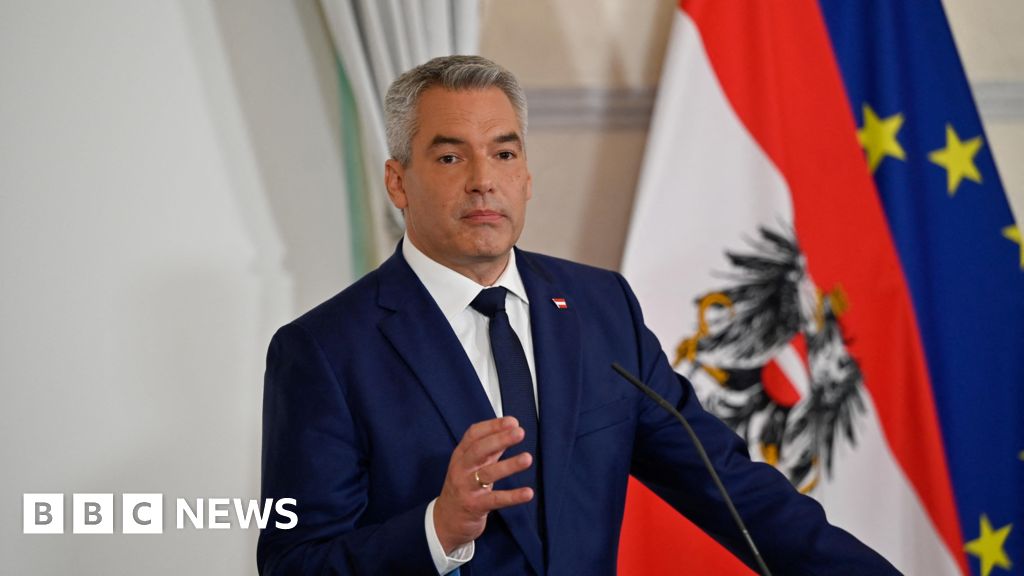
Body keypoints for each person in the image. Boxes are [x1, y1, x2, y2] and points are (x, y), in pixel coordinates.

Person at [257, 55, 899, 575]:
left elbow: (729, 488)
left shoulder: (599, 309)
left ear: (527, 176)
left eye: (504, 154)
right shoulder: (323, 351)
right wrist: (436, 529)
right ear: (399, 183)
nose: (484, 179)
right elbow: (294, 563)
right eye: (451, 157)